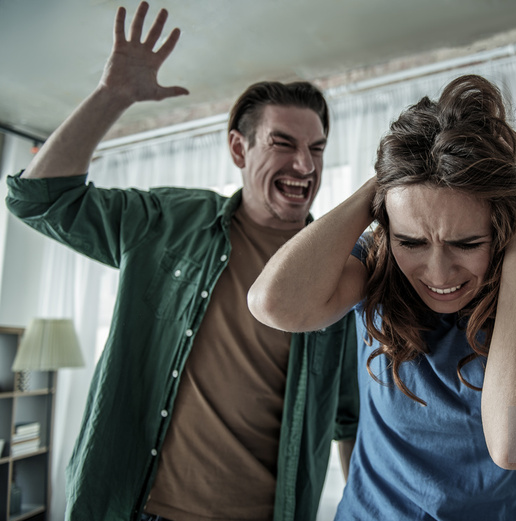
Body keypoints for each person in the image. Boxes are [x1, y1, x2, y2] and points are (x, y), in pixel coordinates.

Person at [5, 3, 358, 521]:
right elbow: (39, 200)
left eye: (317, 149)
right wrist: (113, 96)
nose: (304, 165)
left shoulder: (338, 267)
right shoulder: (168, 221)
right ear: (239, 149)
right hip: (140, 510)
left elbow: (347, 418)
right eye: (283, 144)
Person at [248, 74, 516, 520]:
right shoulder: (376, 257)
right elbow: (272, 303)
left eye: (465, 244)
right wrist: (387, 184)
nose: (439, 274)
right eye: (413, 243)